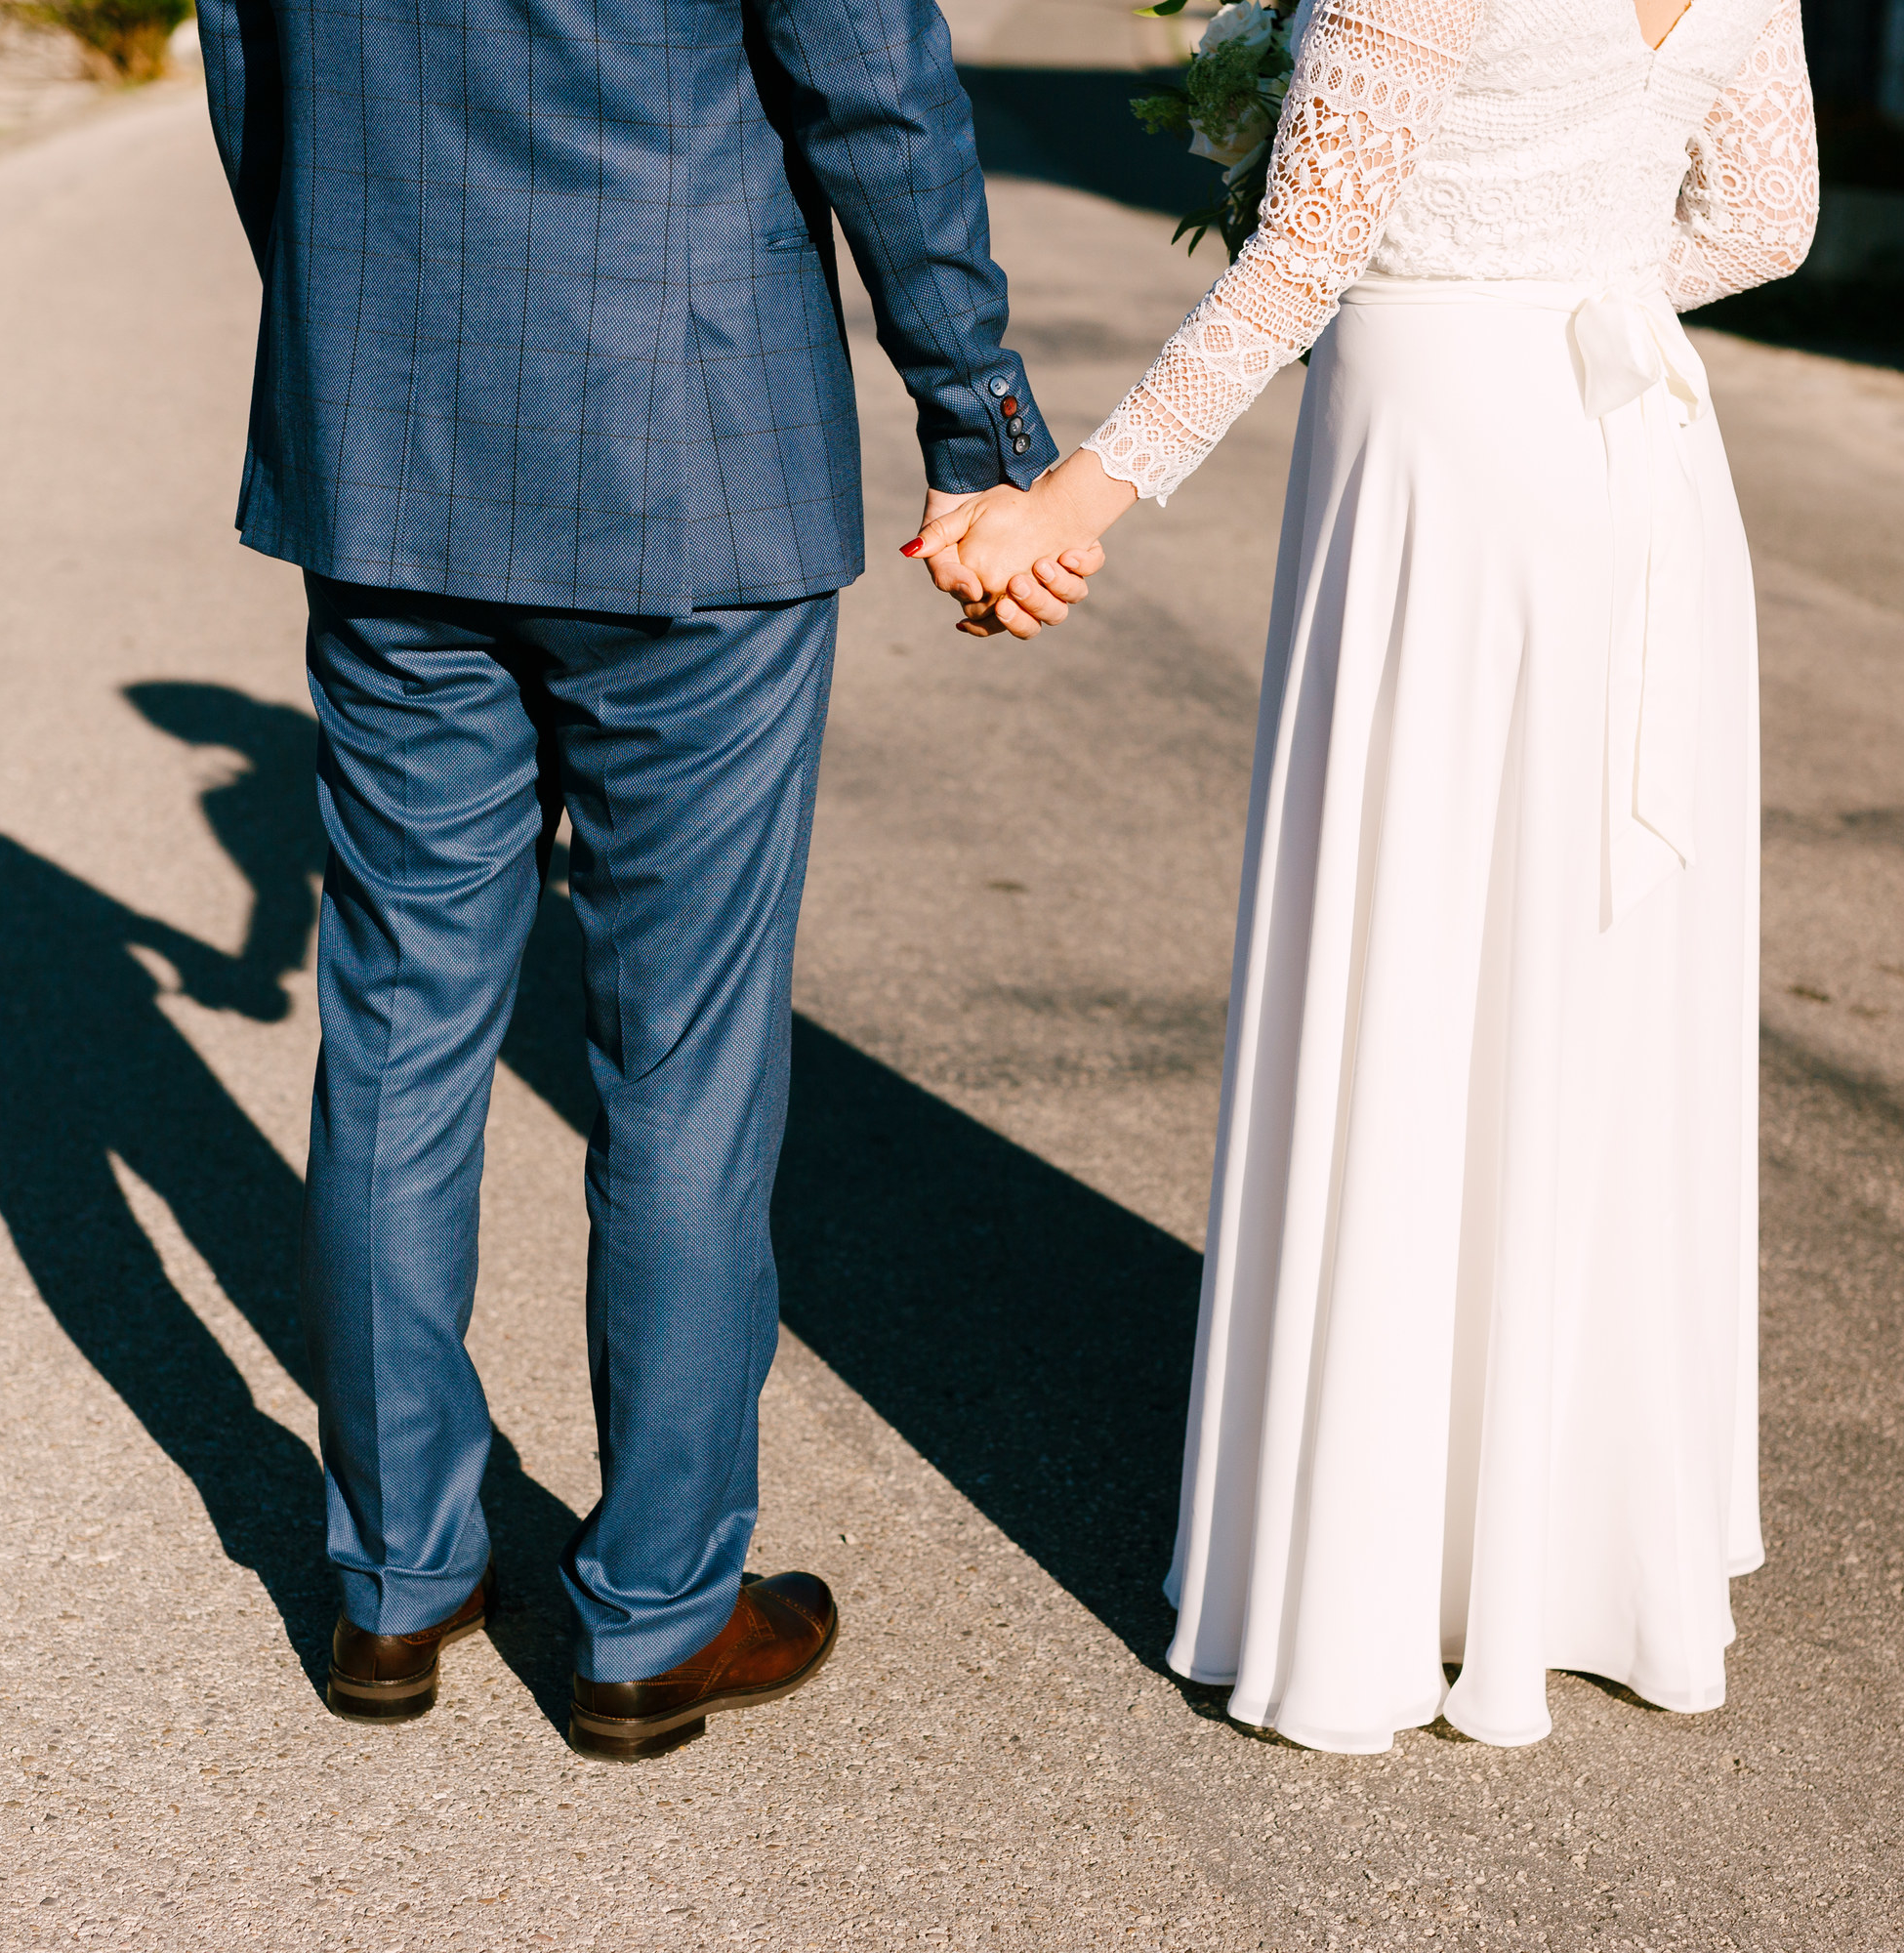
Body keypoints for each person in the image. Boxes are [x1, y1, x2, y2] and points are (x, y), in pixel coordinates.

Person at [191, 0, 1097, 1756]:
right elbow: (877, 94)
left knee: (397, 1029)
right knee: (683, 1058)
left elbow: (253, 69)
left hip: (388, 450)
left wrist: (351, 317)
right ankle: (657, 1615)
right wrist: (978, 422)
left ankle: (394, 1578)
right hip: (690, 460)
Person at [912, 0, 1818, 1751]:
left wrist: (1065, 506)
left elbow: (1299, 263)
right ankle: (1580, 1551)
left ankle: (1372, 1572)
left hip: (1444, 474)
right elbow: (1765, 224)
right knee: (1591, 988)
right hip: (1639, 467)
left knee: (1415, 986)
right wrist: (1582, 282)